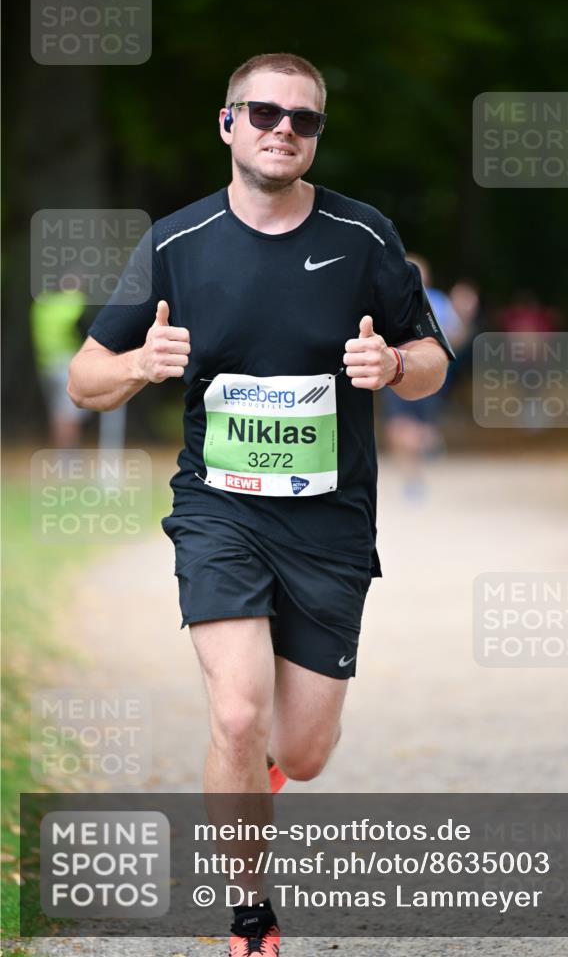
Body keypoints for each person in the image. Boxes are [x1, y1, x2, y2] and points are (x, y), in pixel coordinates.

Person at [67, 52, 455, 954]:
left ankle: (254, 775)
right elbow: (88, 377)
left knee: (305, 752)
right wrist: (136, 366)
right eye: (265, 112)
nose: (284, 129)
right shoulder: (175, 241)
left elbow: (430, 355)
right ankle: (250, 908)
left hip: (329, 520)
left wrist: (395, 367)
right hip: (219, 510)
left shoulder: (364, 237)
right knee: (236, 712)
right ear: (227, 123)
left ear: (316, 135)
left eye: (304, 120)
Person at [381, 254, 465, 497]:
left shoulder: (438, 301)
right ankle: (412, 477)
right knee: (398, 428)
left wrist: (461, 314)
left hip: (427, 378)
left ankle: (425, 447)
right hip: (395, 373)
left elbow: (456, 339)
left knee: (418, 431)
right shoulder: (389, 300)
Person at [31, 285, 89, 448]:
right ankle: (69, 455)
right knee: (70, 413)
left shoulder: (42, 305)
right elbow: (85, 330)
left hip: (46, 364)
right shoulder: (75, 303)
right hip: (67, 363)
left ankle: (61, 453)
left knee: (57, 413)